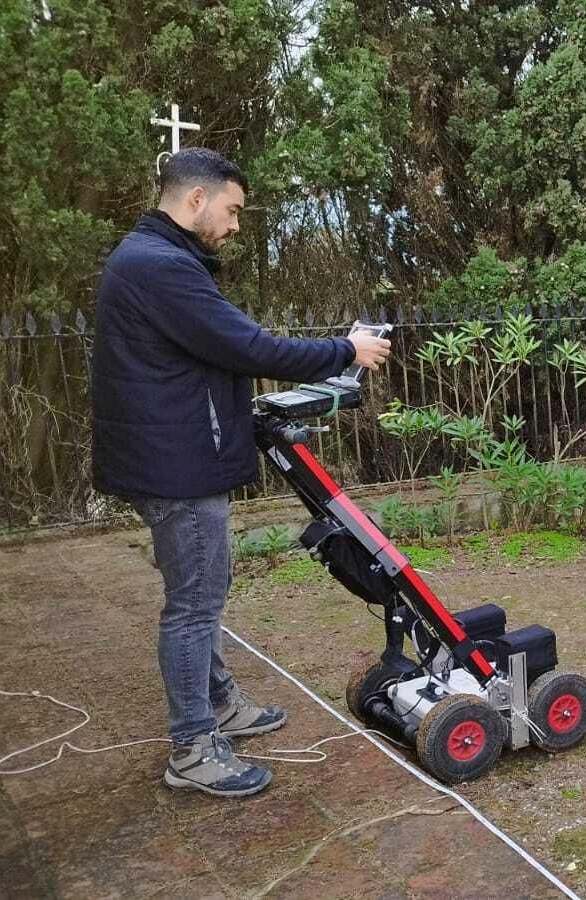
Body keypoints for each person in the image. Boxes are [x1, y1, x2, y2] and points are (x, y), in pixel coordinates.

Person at [91, 148, 392, 797]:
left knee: (202, 593)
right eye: (231, 210)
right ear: (195, 199)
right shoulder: (162, 268)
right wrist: (347, 350)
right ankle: (194, 748)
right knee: (194, 606)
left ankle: (221, 701)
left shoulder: (153, 258)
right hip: (176, 466)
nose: (234, 226)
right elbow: (247, 346)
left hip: (169, 454)